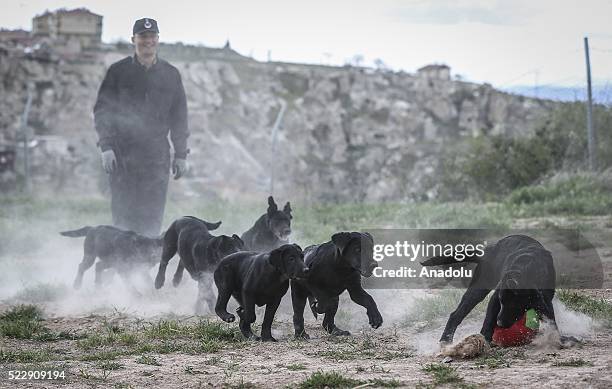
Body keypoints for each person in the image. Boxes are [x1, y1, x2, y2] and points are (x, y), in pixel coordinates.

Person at [93, 17, 189, 237]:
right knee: (122, 218)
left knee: (151, 219)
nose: (148, 41)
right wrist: (106, 147)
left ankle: (143, 270)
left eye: (152, 36)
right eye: (143, 36)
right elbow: (102, 111)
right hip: (122, 156)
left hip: (156, 158)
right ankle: (122, 267)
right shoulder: (117, 72)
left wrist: (181, 154)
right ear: (133, 40)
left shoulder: (171, 74)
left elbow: (179, 117)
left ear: (157, 39)